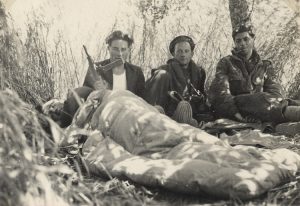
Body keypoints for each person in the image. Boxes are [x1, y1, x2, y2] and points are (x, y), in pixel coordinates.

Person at [208, 24, 300, 124]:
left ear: (253, 39)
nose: (242, 43)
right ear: (234, 43)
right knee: (261, 98)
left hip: (261, 109)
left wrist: (256, 112)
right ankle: (293, 113)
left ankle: (292, 109)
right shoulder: (226, 63)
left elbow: (276, 93)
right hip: (235, 108)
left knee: (282, 100)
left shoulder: (265, 65)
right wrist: (239, 116)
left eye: (246, 39)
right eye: (238, 41)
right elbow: (222, 94)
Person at [60, 30, 145, 128]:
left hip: (127, 114)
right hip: (102, 113)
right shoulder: (98, 68)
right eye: (115, 49)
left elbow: (141, 98)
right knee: (76, 92)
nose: (119, 54)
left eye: (123, 49)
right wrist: (95, 91)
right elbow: (84, 96)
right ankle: (65, 128)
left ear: (129, 50)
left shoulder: (136, 72)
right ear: (109, 48)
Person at [145, 35, 209, 125]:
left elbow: (202, 95)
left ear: (192, 54)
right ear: (173, 54)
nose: (183, 55)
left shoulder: (199, 72)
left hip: (189, 113)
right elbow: (151, 95)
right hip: (168, 115)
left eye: (186, 51)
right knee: (181, 107)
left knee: (187, 111)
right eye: (179, 51)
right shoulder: (164, 70)